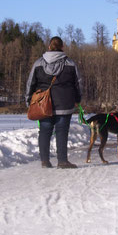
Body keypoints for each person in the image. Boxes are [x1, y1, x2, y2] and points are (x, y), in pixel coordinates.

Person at [26, 36, 82, 169]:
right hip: (65, 103)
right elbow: (78, 84)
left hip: (43, 104)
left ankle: (45, 161)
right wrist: (78, 99)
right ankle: (62, 161)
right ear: (62, 47)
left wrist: (29, 100)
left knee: (45, 132)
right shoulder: (70, 63)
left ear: (49, 47)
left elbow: (30, 83)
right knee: (62, 132)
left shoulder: (38, 63)